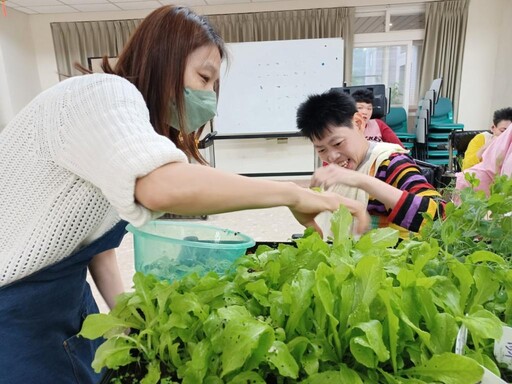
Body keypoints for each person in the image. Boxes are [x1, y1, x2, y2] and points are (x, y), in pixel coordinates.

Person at [0, 6, 370, 384]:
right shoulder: (103, 92)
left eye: (214, 85)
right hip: (14, 308)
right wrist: (292, 194)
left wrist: (129, 318)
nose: (209, 95)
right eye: (204, 77)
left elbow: (97, 242)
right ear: (163, 59)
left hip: (63, 297)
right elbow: (162, 188)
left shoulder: (125, 130)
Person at [296, 89, 446, 238]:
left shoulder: (390, 162)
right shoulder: (336, 173)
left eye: (338, 143)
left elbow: (440, 218)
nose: (332, 157)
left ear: (358, 123)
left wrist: (360, 180)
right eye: (321, 150)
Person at [456, 122, 512, 195]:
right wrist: (484, 148)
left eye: (506, 133)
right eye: (502, 131)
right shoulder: (482, 139)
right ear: (493, 128)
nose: (504, 136)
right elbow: (467, 166)